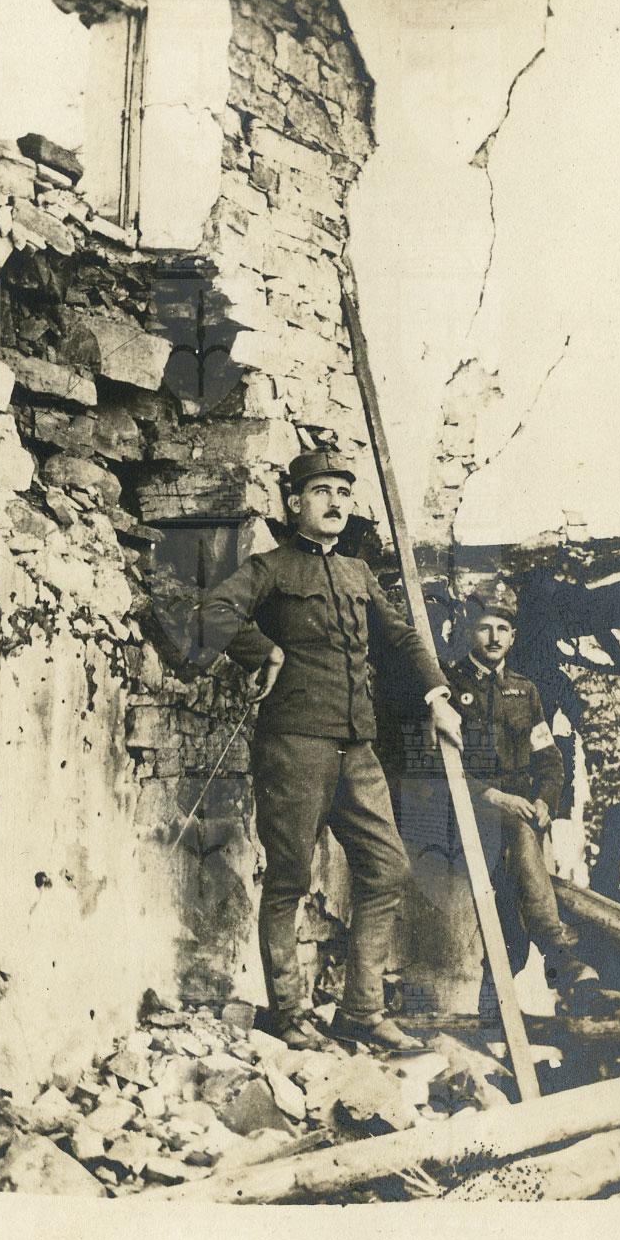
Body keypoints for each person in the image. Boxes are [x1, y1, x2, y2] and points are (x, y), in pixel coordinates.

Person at [198, 449, 463, 1052]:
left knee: (387, 869)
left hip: (357, 747)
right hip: (294, 744)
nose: (335, 502)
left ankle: (361, 1011)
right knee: (289, 877)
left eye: (343, 492)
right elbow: (214, 611)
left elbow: (401, 638)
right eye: (321, 491)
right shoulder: (270, 568)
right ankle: (289, 1013)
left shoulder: (358, 574)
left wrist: (438, 696)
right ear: (295, 503)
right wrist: (263, 650)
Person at [444, 585, 582, 982]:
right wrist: (493, 796)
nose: (494, 637)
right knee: (508, 924)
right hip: (469, 815)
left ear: (513, 636)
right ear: (470, 632)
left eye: (503, 629)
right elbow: (435, 767)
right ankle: (558, 947)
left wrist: (545, 802)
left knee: (512, 940)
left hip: (519, 821)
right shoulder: (451, 686)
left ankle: (495, 1014)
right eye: (485, 627)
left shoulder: (525, 691)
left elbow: (550, 761)